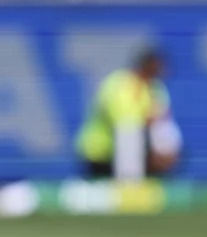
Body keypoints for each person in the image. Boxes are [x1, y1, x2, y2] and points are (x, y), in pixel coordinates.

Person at [75, 49, 182, 180]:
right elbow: (123, 123)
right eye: (157, 67)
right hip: (100, 153)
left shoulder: (157, 88)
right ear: (146, 66)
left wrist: (165, 150)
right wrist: (145, 120)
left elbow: (162, 123)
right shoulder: (117, 84)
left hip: (136, 153)